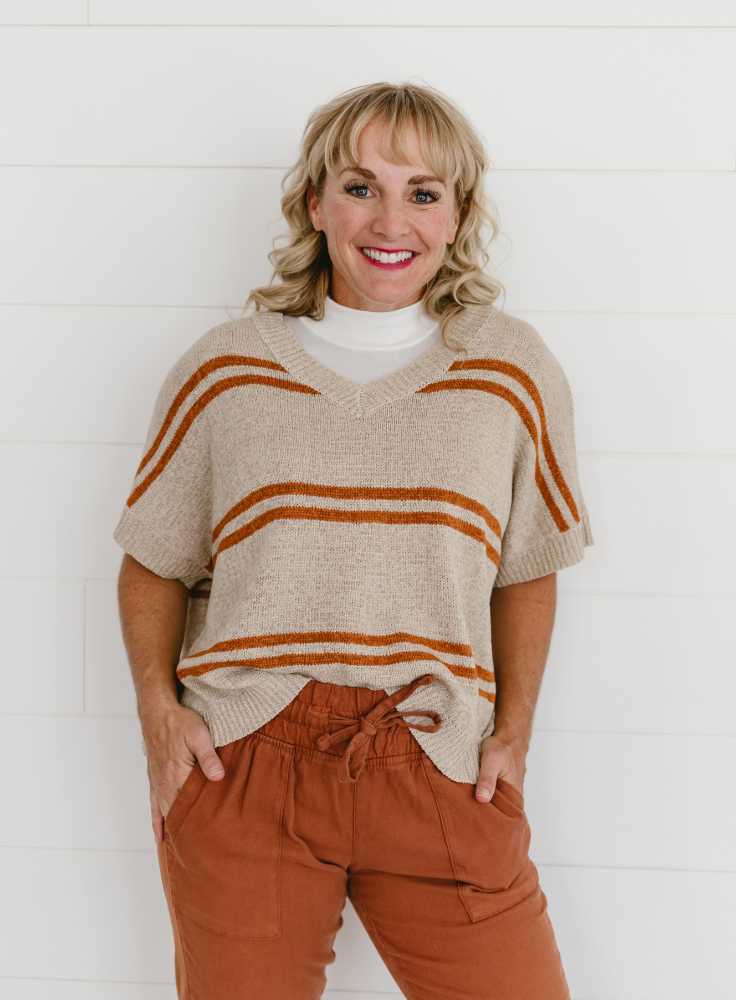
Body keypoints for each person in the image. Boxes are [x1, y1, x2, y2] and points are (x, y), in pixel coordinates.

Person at [116, 81, 592, 1000]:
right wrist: (156, 716)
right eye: (360, 185)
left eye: (423, 192)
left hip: (436, 753)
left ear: (457, 218)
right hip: (246, 756)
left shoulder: (510, 370)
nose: (391, 218)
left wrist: (515, 731)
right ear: (314, 202)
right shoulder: (225, 370)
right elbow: (153, 560)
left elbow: (527, 568)